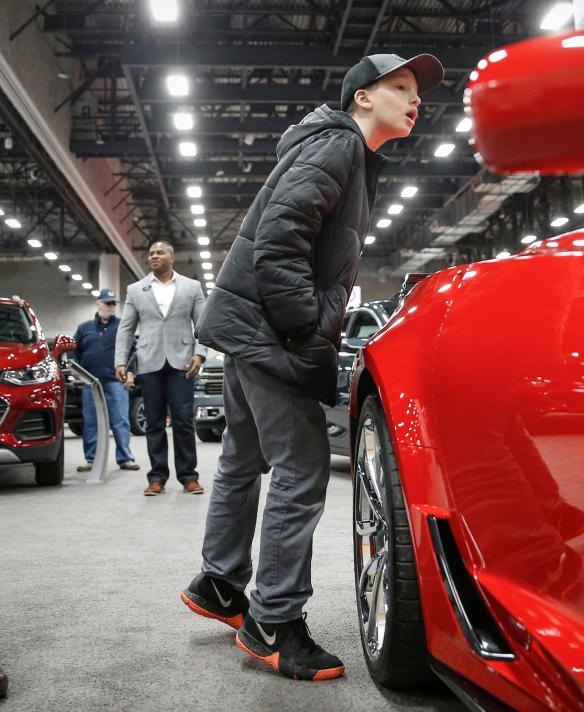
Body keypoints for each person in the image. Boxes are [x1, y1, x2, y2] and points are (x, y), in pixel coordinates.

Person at [180, 53, 444, 682]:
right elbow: (279, 239)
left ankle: (220, 583)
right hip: (273, 335)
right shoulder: (339, 148)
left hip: (246, 331)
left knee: (243, 460)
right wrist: (306, 325)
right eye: (400, 88)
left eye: (416, 92)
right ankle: (273, 621)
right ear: (362, 99)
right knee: (301, 473)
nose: (415, 100)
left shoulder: (337, 147)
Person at [115, 241, 206, 496]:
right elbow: (126, 328)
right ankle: (157, 477)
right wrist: (120, 361)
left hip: (183, 363)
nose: (154, 256)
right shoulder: (136, 289)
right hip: (149, 361)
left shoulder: (191, 287)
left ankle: (189, 477)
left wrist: (199, 354)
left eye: (160, 252)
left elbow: (202, 325)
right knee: (154, 423)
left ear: (172, 257)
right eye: (151, 253)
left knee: (184, 421)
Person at [72, 288, 139, 472]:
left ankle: (125, 458)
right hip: (90, 383)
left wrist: (131, 373)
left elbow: (134, 350)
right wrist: (75, 369)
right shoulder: (84, 328)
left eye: (113, 304)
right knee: (91, 422)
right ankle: (91, 459)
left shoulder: (122, 326)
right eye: (107, 303)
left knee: (120, 420)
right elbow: (72, 350)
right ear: (98, 303)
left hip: (115, 381)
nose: (110, 307)